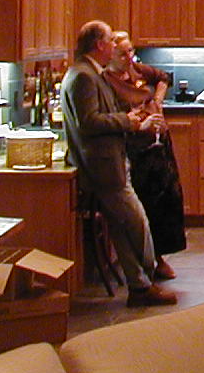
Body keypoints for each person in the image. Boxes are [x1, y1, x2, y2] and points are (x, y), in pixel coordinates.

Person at [61, 20, 177, 307]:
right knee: (137, 222)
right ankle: (148, 274)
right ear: (99, 44)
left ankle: (139, 287)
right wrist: (129, 121)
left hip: (107, 161)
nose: (114, 46)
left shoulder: (90, 72)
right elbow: (88, 122)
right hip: (102, 165)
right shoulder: (83, 76)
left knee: (121, 227)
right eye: (111, 41)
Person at [102, 31, 186, 276]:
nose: (129, 57)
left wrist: (157, 103)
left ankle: (160, 257)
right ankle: (148, 261)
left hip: (158, 142)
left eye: (131, 51)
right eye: (122, 54)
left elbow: (162, 77)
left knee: (168, 200)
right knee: (145, 204)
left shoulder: (137, 70)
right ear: (110, 55)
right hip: (134, 148)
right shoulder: (106, 81)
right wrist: (139, 120)